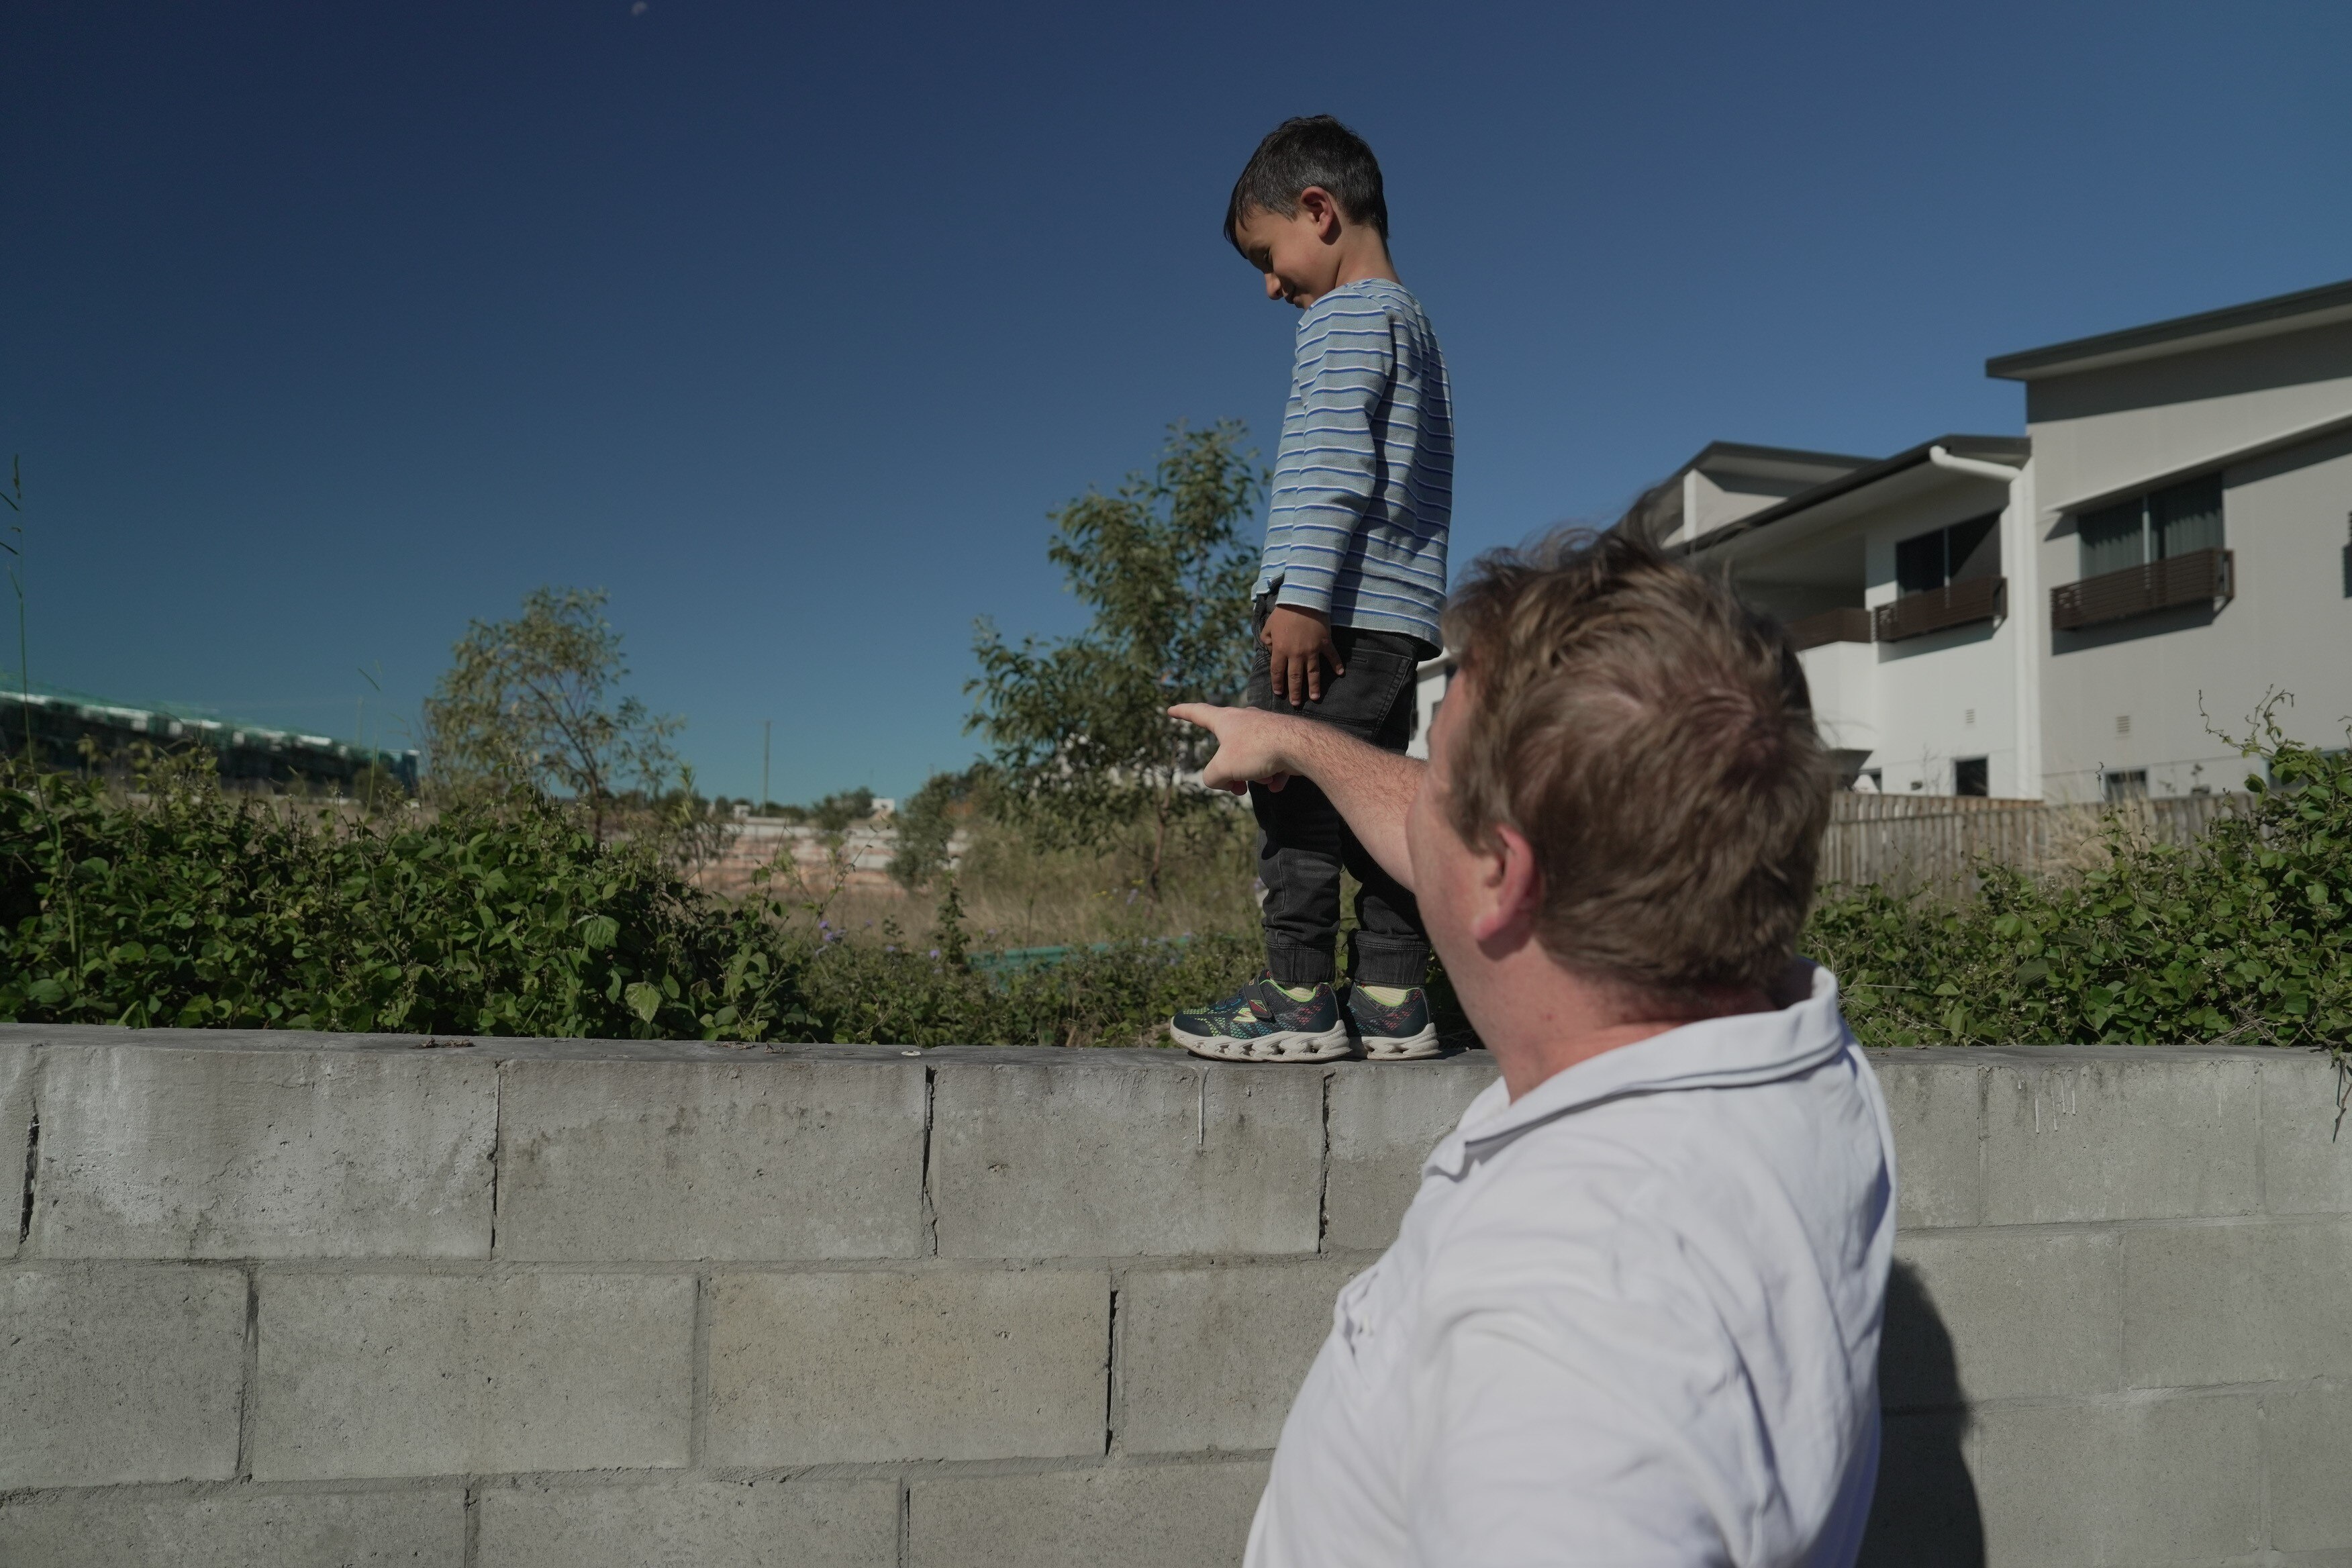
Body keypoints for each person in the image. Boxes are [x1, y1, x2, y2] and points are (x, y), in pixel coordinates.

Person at [1169, 530, 1896, 1568]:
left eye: (1441, 778)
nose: (1420, 802)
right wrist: (1302, 744)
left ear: (1508, 877)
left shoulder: (1574, 1315)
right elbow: (1459, 840)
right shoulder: (1783, 1040)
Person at [1169, 114, 1455, 1065]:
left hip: (1327, 613)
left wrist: (1299, 600)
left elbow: (1333, 470)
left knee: (1288, 789)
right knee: (1381, 796)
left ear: (1319, 211)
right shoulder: (1415, 325)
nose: (1269, 282)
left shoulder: (1345, 319)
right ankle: (1389, 996)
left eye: (1268, 251)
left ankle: (1297, 994)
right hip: (1394, 620)